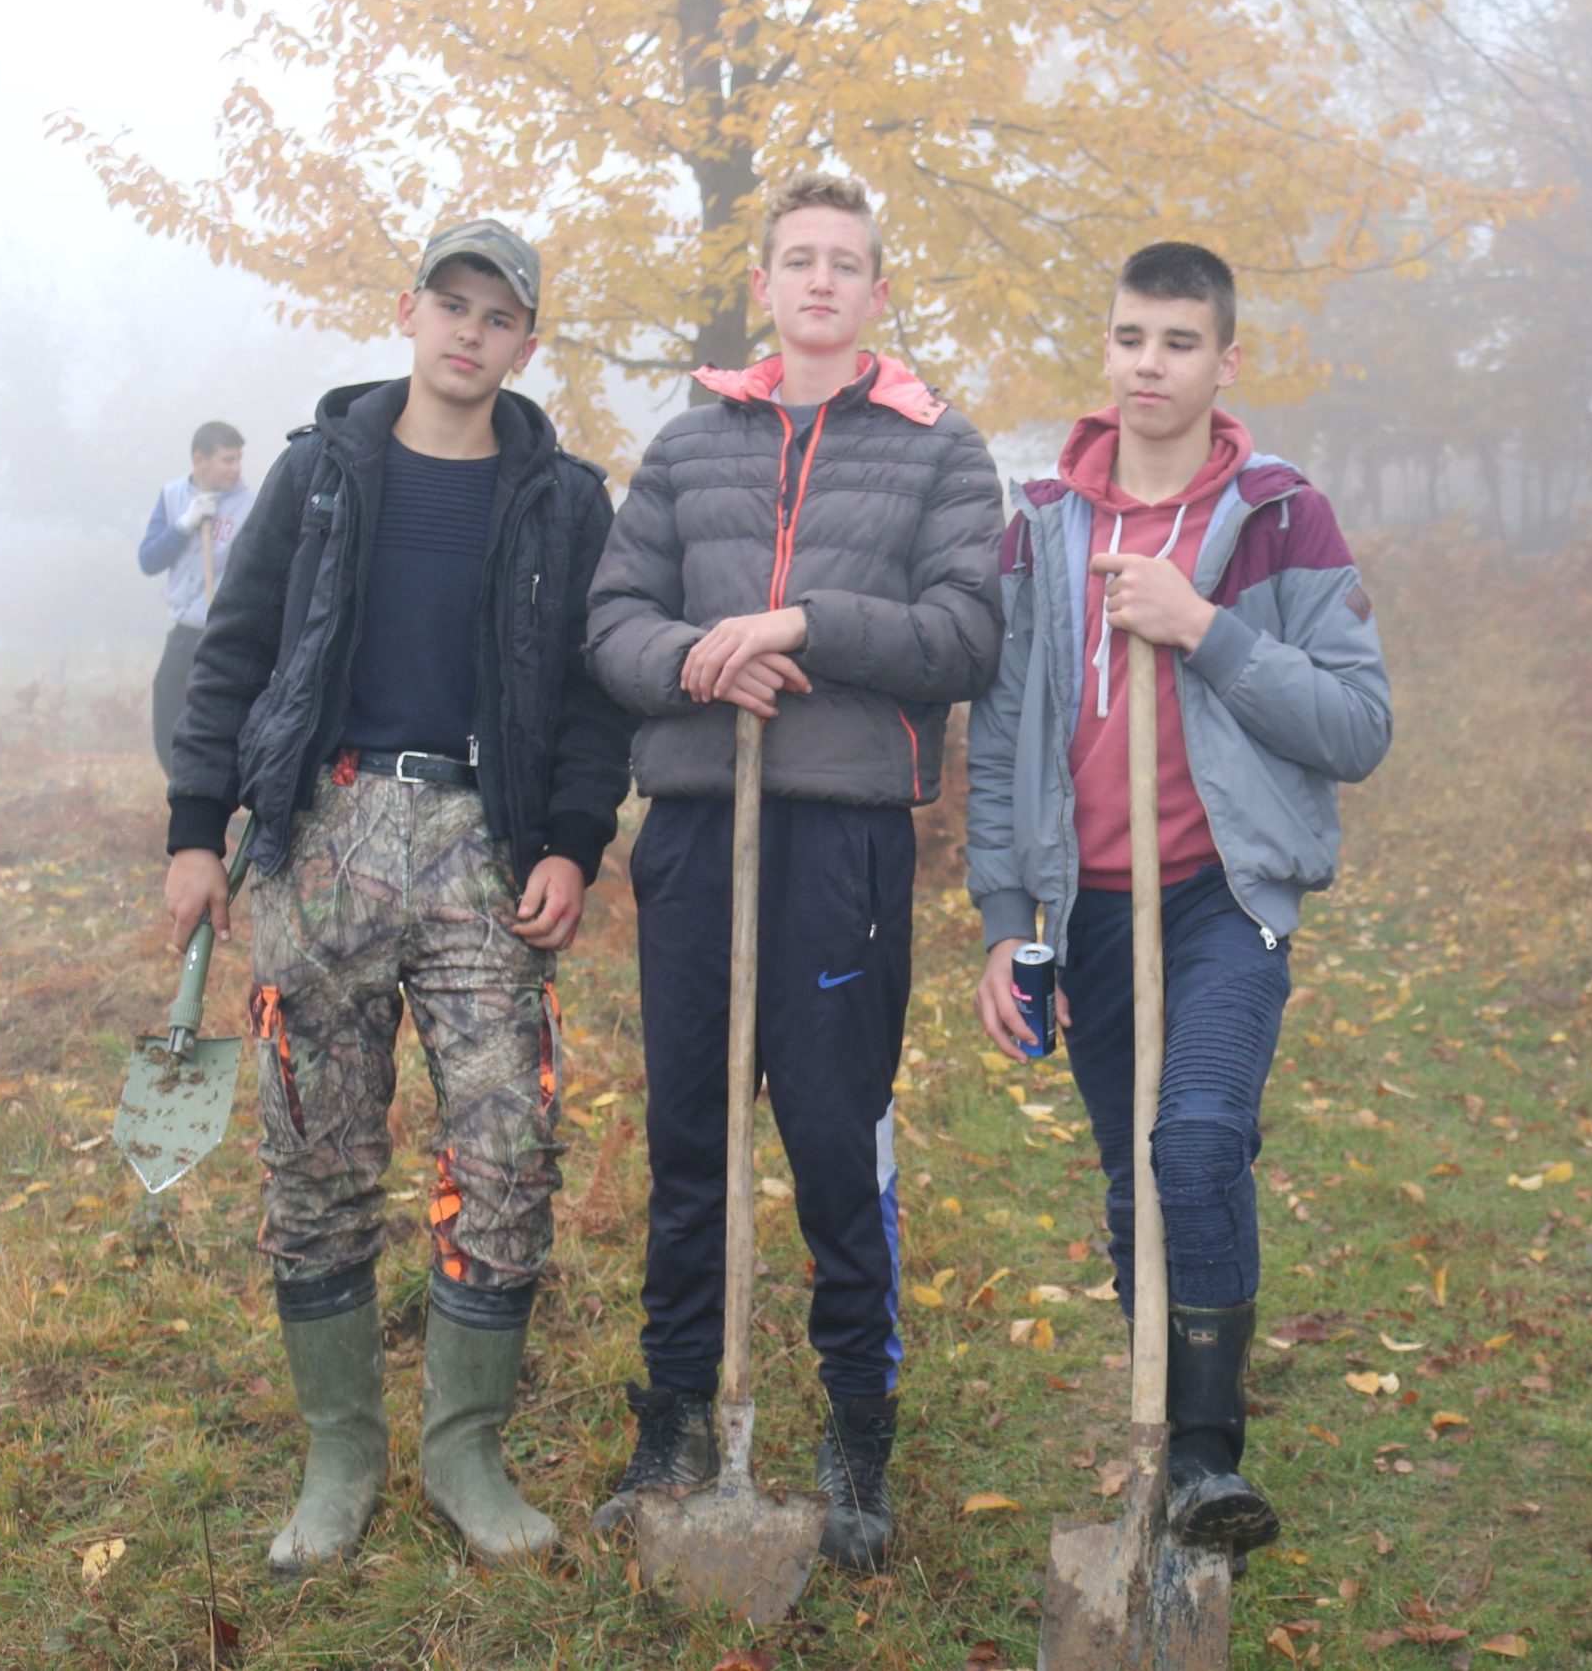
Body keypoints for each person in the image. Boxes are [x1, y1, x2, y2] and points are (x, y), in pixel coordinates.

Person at [160, 220, 633, 1573]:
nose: (469, 332)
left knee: (507, 1146)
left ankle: (466, 1452)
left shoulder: (562, 502)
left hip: (487, 845)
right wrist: (197, 829)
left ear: (525, 344)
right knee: (314, 1151)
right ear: (410, 312)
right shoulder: (320, 472)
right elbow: (235, 652)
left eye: (498, 315)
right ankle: (341, 1453)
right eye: (451, 304)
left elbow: (593, 695)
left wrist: (572, 842)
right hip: (322, 836)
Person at [583, 172, 1004, 1572]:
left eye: (846, 262)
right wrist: (700, 659)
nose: (821, 281)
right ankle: (673, 1415)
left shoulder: (940, 449)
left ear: (877, 290)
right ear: (762, 285)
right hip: (697, 832)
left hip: (842, 843)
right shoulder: (689, 445)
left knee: (835, 1136)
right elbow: (614, 621)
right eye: (798, 260)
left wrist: (800, 622)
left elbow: (964, 634)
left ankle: (855, 1425)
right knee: (690, 1137)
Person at [964, 241, 1393, 1557]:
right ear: (1107, 348)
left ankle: (1207, 1458)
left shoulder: (1280, 518)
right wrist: (1006, 920)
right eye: (1130, 337)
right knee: (1130, 1182)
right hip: (1087, 908)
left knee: (1196, 1145)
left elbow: (1357, 726)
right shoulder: (1042, 527)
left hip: (1222, 898)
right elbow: (1002, 737)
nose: (1149, 364)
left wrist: (1203, 625)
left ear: (1226, 359)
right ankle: (1157, 1434)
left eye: (1179, 341)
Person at [137, 421, 256, 770]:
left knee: (222, 718)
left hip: (225, 632)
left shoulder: (250, 506)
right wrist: (184, 525)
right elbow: (149, 561)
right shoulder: (172, 496)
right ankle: (180, 784)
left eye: (238, 459)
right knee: (167, 708)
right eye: (227, 460)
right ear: (199, 460)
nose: (236, 468)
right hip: (185, 630)